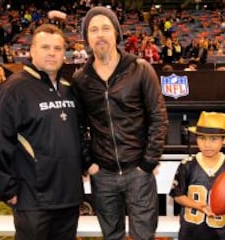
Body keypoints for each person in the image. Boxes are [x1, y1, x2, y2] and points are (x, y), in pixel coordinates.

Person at [72, 6, 169, 240]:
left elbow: (158, 117)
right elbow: (77, 126)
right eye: (93, 29)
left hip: (139, 171)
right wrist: (89, 164)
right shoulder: (81, 79)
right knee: (111, 236)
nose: (100, 34)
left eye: (106, 28)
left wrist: (148, 162)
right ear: (87, 38)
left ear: (117, 33)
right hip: (102, 173)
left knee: (143, 235)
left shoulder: (140, 69)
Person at [0, 24, 84, 240]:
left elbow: (78, 134)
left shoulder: (68, 88)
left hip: (68, 197)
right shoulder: (13, 89)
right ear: (31, 51)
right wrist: (6, 190)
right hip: (32, 198)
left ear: (64, 54)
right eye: (45, 47)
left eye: (57, 48)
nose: (51, 53)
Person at [169, 111, 225, 240]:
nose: (207, 144)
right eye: (202, 138)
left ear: (224, 139)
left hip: (219, 235)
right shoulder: (187, 164)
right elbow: (177, 195)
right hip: (189, 233)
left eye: (213, 139)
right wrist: (198, 206)